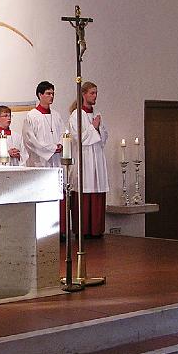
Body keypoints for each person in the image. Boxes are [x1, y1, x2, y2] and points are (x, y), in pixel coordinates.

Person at [68, 81, 109, 237]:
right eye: (92, 93)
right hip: (84, 159)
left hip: (97, 158)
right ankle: (83, 230)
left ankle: (97, 229)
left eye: (96, 93)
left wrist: (97, 127)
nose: (95, 96)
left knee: (97, 189)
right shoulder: (76, 115)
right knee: (84, 190)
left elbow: (104, 137)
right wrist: (93, 127)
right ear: (83, 94)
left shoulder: (97, 113)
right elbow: (79, 138)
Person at [23, 81, 65, 168]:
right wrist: (51, 148)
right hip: (40, 160)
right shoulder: (32, 116)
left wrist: (61, 144)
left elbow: (63, 133)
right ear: (40, 95)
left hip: (57, 158)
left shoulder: (56, 115)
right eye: (48, 94)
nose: (52, 96)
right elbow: (30, 140)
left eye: (53, 94)